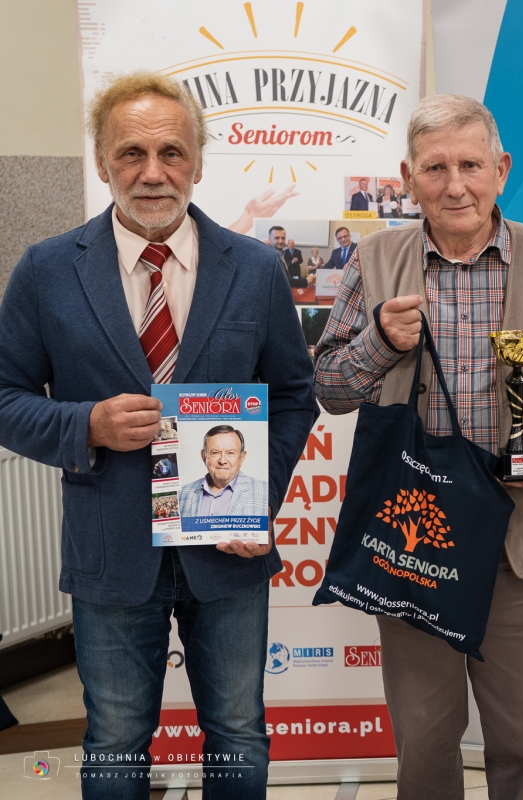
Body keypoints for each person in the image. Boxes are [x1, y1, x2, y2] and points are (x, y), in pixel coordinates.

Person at [0, 71, 319, 798]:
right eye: (131, 153)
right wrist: (85, 423)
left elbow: (293, 397)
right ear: (102, 161)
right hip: (109, 550)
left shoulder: (256, 268)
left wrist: (254, 500)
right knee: (115, 738)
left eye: (171, 152)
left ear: (197, 162)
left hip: (227, 550)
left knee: (238, 731)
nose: (152, 172)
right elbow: (5, 396)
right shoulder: (47, 271)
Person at [313, 94, 523, 799]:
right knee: (423, 740)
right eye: (435, 168)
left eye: (470, 166)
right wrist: (378, 342)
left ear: (500, 169)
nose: (455, 185)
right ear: (407, 177)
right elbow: (329, 387)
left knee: (522, 743)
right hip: (413, 537)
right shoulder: (374, 259)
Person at [178, 425, 270, 518]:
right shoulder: (181, 494)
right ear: (204, 456)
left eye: (230, 453)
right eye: (215, 453)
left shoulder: (265, 492)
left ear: (242, 457)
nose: (222, 461)